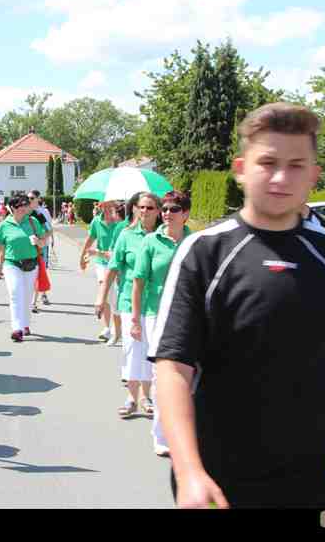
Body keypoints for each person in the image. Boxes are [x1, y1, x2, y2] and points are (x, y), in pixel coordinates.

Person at [152, 102, 325, 509]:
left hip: (320, 480)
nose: (280, 177)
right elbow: (172, 368)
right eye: (267, 162)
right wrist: (188, 471)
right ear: (240, 168)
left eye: (296, 165)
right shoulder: (204, 252)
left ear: (314, 175)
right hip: (219, 481)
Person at [131, 191, 192, 457]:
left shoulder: (196, 242)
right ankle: (162, 435)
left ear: (186, 214)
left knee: (192, 377)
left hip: (191, 316)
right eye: (164, 209)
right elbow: (138, 281)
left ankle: (189, 434)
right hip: (157, 314)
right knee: (162, 376)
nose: (166, 213)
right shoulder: (150, 242)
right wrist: (135, 318)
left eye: (174, 209)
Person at [98, 192, 162, 418]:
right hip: (128, 301)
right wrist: (101, 297)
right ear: (134, 209)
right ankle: (132, 398)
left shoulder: (164, 236)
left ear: (158, 211)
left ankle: (147, 396)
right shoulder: (125, 236)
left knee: (151, 350)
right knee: (133, 349)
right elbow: (113, 268)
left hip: (156, 303)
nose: (144, 211)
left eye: (150, 208)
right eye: (141, 207)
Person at [0, 194, 47, 342]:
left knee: (26, 296)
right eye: (21, 205)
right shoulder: (4, 225)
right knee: (15, 294)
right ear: (13, 207)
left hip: (30, 264)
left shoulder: (33, 222)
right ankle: (17, 328)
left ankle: (25, 324)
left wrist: (38, 241)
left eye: (26, 204)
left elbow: (44, 242)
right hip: (12, 264)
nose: (25, 207)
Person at [80, 201, 123, 345]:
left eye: (111, 206)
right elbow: (90, 239)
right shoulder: (97, 222)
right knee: (104, 289)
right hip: (102, 263)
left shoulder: (121, 223)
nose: (108, 209)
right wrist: (82, 256)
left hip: (116, 263)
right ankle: (106, 328)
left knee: (113, 296)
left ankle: (116, 328)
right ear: (101, 207)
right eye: (104, 206)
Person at [28, 190, 52, 311]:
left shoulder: (41, 213)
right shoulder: (21, 213)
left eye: (32, 198)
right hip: (23, 249)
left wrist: (41, 241)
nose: (29, 200)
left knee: (39, 271)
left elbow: (49, 229)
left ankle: (35, 300)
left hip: (40, 247)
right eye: (28, 198)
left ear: (38, 198)